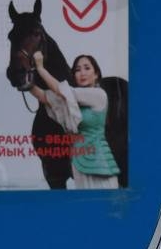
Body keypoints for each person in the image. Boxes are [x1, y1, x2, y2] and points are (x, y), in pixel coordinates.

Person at [29, 52, 121, 189]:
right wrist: (26, 83)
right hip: (79, 165)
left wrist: (41, 68)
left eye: (87, 68)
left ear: (96, 74)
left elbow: (62, 91)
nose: (82, 73)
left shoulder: (99, 94)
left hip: (99, 165)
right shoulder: (72, 102)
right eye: (77, 70)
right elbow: (45, 97)